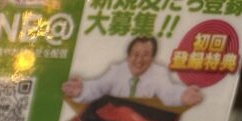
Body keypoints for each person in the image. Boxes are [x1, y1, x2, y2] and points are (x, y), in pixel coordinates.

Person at [62, 36, 203, 107]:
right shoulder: (116, 70)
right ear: (128, 56)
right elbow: (98, 86)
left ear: (152, 57)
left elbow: (168, 91)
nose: (139, 60)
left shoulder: (158, 73)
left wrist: (182, 95)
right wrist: (82, 90)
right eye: (135, 54)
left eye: (146, 55)